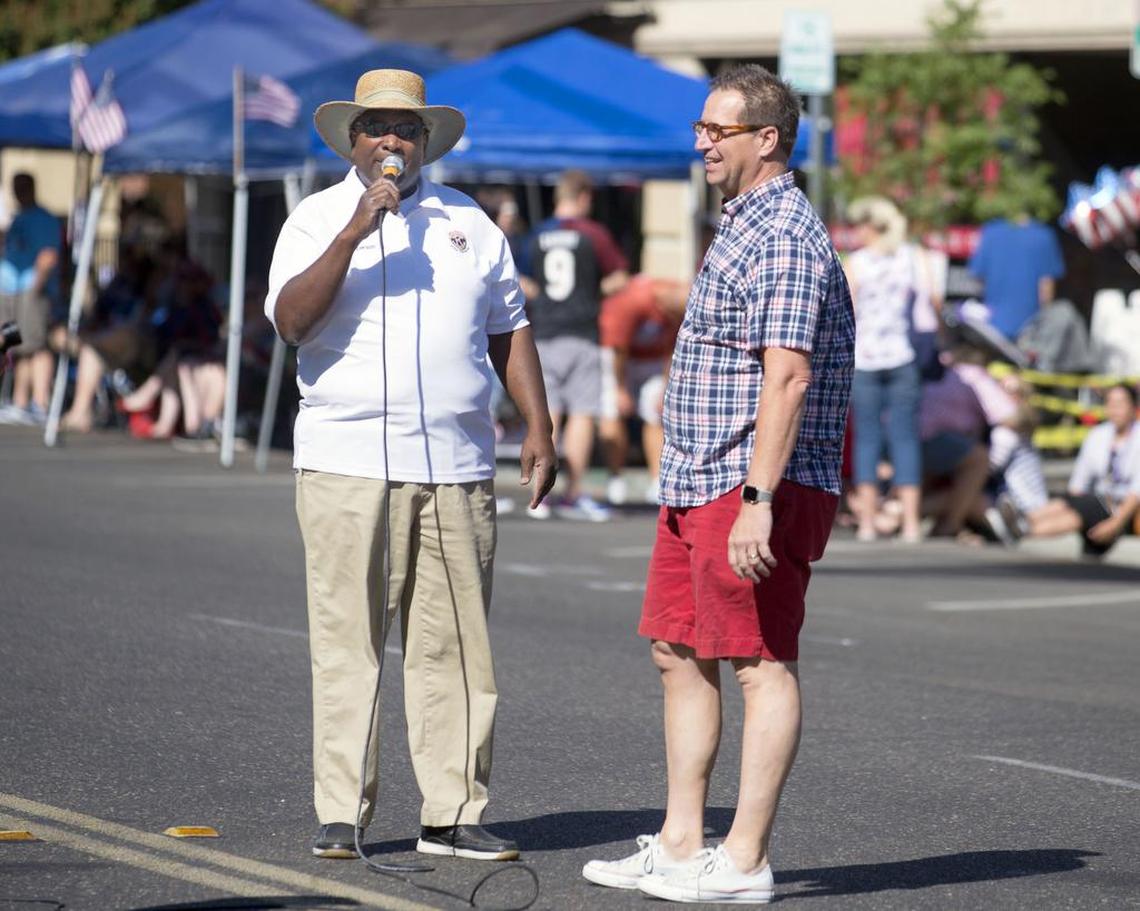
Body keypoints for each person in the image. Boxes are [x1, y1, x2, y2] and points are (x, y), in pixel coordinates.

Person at [265, 69, 556, 862]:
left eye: (407, 129)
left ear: (426, 141)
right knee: (348, 640)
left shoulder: (470, 223)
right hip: (345, 462)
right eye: (376, 128)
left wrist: (538, 423)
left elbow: (510, 326)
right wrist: (355, 231)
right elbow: (291, 320)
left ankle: (453, 812)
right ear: (352, 139)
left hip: (458, 462)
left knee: (455, 646)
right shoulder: (316, 218)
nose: (392, 141)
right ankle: (340, 811)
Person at [583, 64, 854, 904]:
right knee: (676, 649)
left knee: (759, 661)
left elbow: (788, 378)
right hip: (699, 478)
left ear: (765, 138)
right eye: (701, 129)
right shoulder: (742, 221)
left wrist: (757, 502)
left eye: (717, 130)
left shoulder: (782, 233)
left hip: (750, 485)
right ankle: (678, 844)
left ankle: (741, 862)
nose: (700, 141)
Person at [519, 169, 629, 520]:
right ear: (584, 197)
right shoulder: (593, 234)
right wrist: (592, 292)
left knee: (547, 412)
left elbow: (522, 280)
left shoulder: (538, 234)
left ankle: (540, 493)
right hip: (582, 331)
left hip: (545, 331)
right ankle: (573, 491)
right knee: (582, 412)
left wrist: (543, 297)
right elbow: (619, 277)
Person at [843, 196, 926, 543]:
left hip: (865, 359)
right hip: (902, 355)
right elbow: (929, 303)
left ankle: (867, 521)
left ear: (872, 227)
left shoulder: (857, 263)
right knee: (905, 439)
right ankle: (910, 523)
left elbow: (844, 308)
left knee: (868, 439)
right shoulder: (910, 258)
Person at [1004, 383, 1139, 556]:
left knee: (1081, 512)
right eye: (1110, 404)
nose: (1114, 410)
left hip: (1123, 511)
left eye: (1120, 404)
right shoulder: (1099, 435)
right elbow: (1079, 482)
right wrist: (1075, 501)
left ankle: (1022, 526)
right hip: (1094, 503)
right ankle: (1023, 524)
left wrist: (1116, 523)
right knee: (1075, 505)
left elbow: (1136, 491)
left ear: (1133, 407)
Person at [597, 273, 687, 505]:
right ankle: (615, 477)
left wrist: (667, 386)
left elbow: (675, 349)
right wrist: (620, 389)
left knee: (656, 412)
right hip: (619, 357)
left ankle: (657, 480)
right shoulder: (634, 302)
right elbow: (618, 349)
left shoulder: (681, 306)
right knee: (612, 410)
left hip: (653, 360)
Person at [0, 173, 61, 426]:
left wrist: (37, 284)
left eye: (23, 187)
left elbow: (48, 254)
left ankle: (40, 402)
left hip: (30, 290)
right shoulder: (19, 218)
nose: (19, 192)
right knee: (17, 344)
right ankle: (20, 401)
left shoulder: (43, 219)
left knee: (36, 344)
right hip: (10, 291)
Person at [968, 214, 1065, 341]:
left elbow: (977, 278)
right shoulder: (1044, 236)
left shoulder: (990, 232)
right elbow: (1046, 289)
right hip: (1030, 326)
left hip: (994, 325)